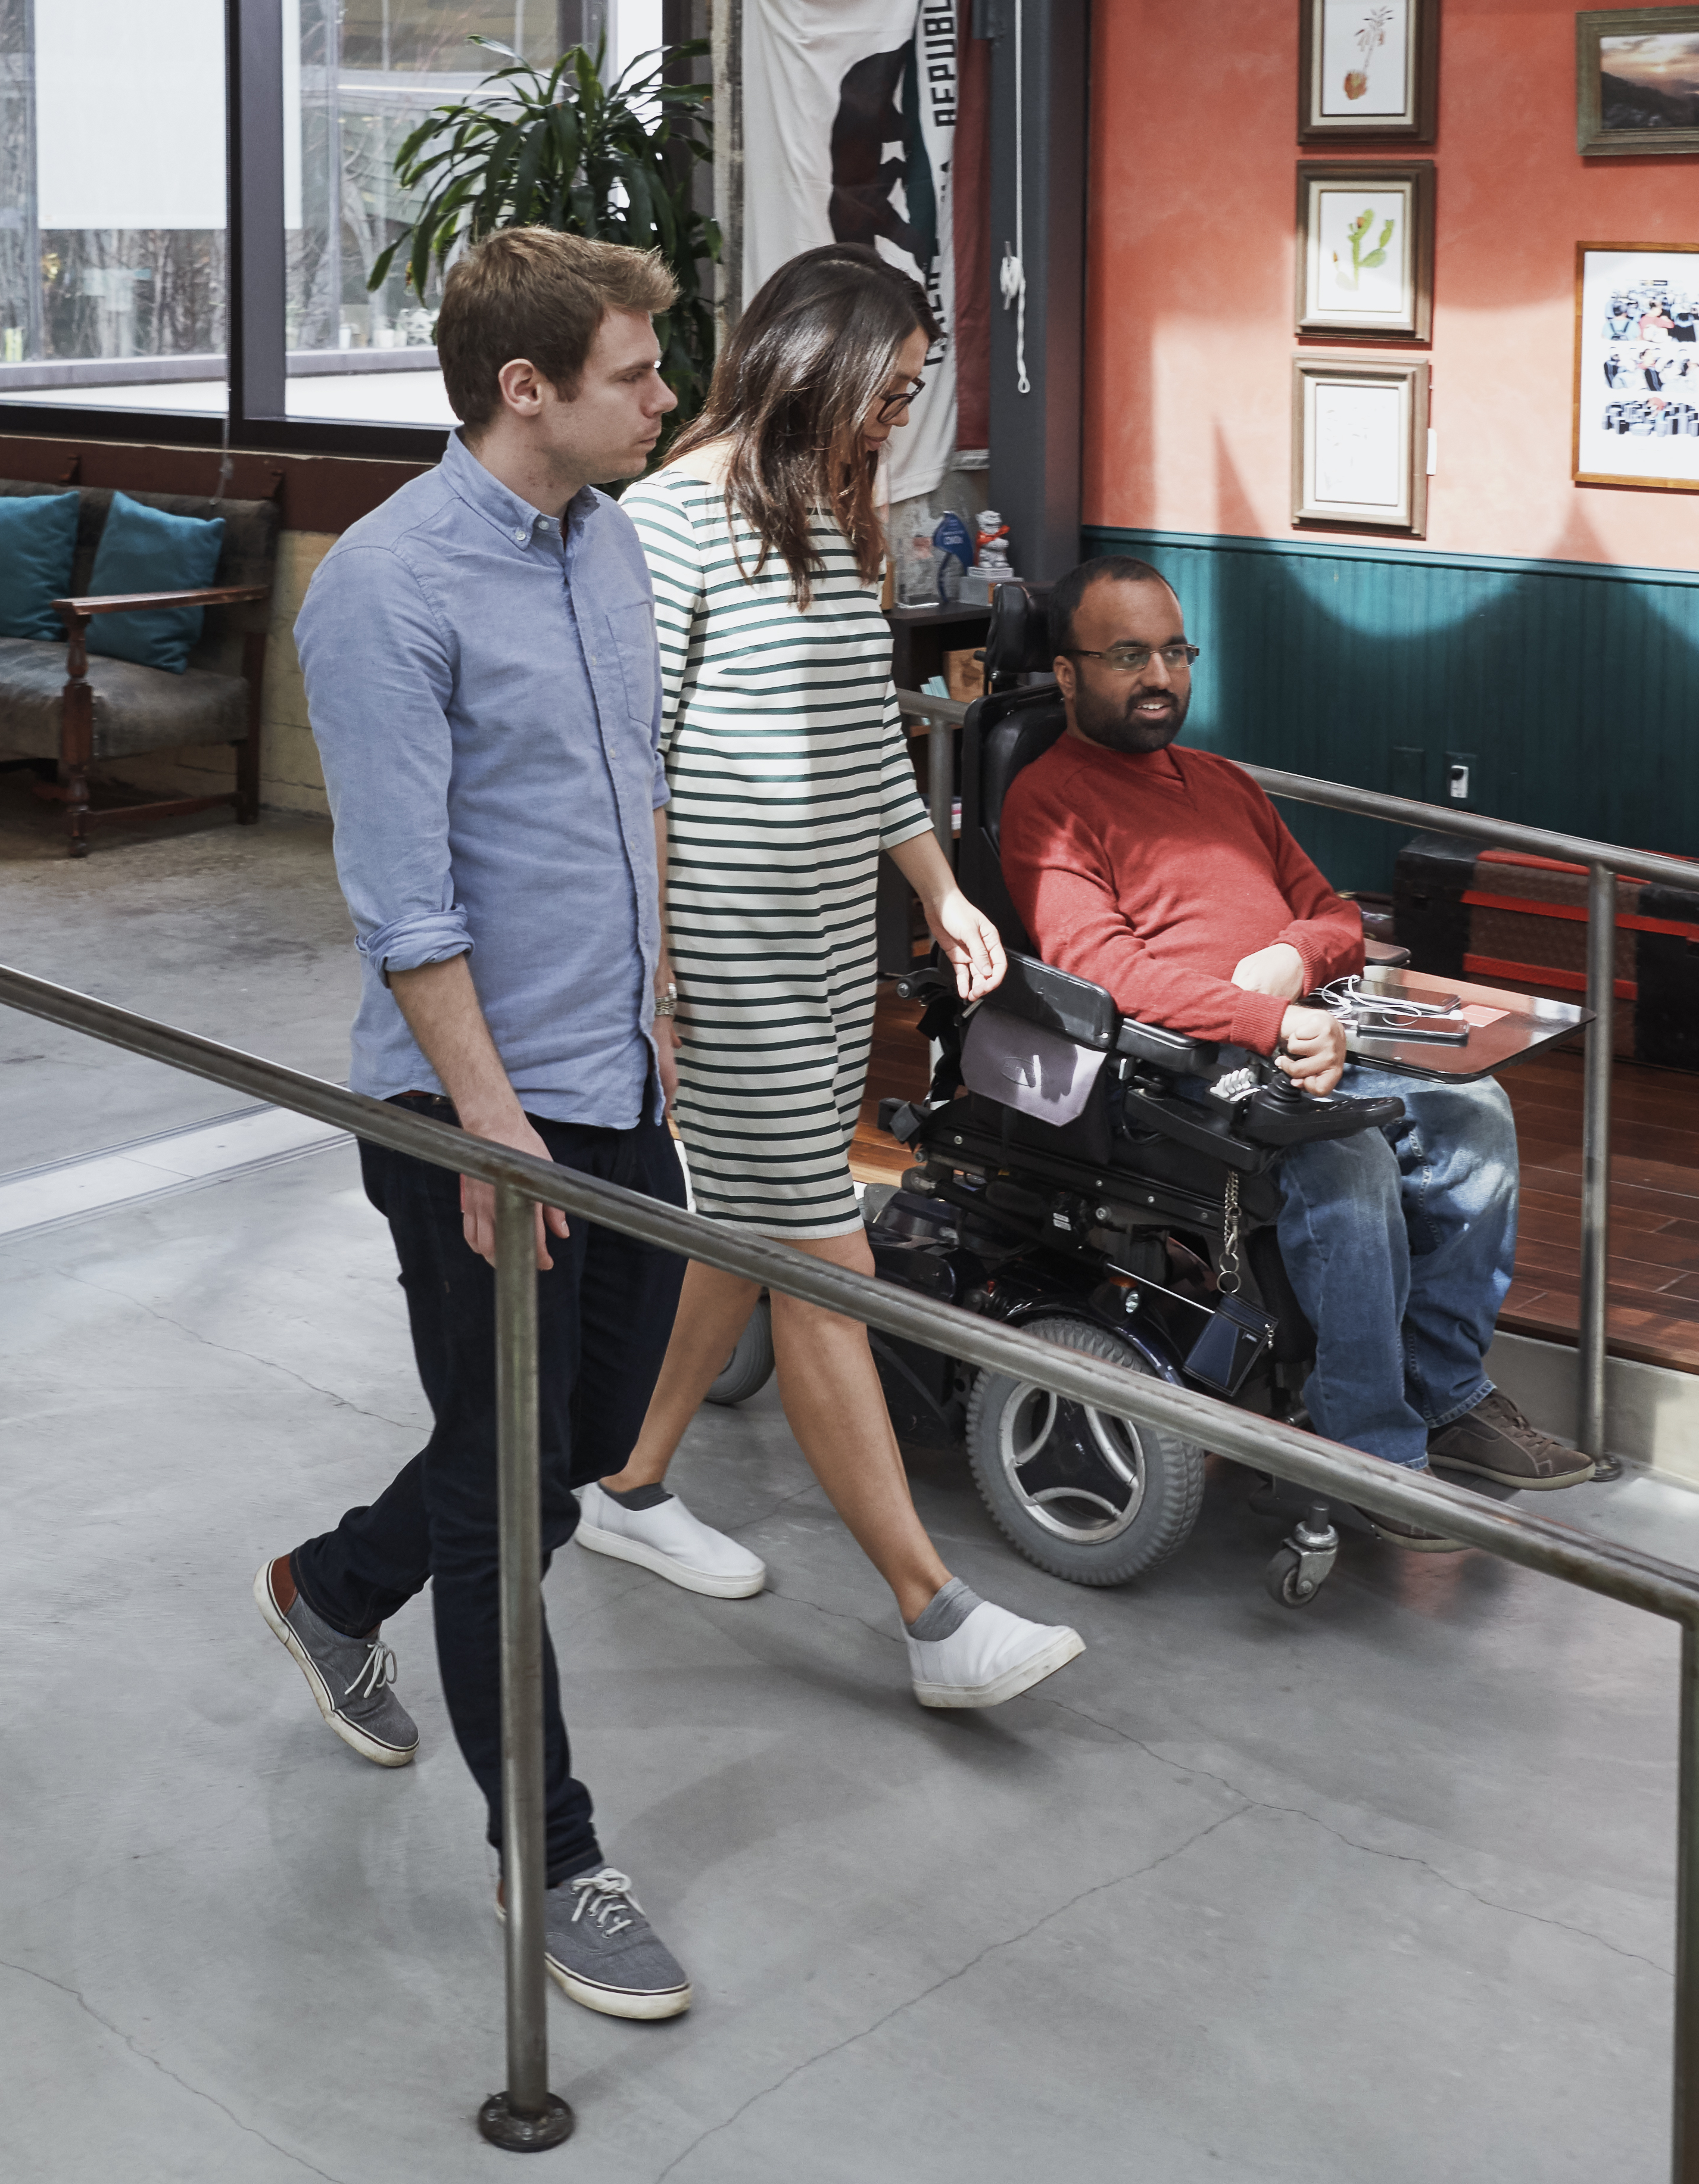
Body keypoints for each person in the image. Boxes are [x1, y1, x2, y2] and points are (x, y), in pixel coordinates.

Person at [255, 225, 703, 2024]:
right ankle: (557, 1854)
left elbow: (634, 789)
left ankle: (325, 1583)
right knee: (507, 1479)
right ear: (526, 386)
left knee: (571, 1449)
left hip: (620, 1075)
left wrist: (661, 999)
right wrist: (492, 1130)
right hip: (473, 1112)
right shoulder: (385, 587)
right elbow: (405, 902)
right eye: (635, 372)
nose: (667, 397)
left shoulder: (607, 547)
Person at [572, 250, 1080, 1709]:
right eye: (891, 391)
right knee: (817, 1255)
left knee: (744, 1227)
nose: (893, 422)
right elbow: (635, 764)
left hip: (819, 951)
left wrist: (940, 892)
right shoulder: (666, 520)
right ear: (819, 360)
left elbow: (868, 741)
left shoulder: (823, 521)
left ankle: (626, 1478)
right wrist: (654, 964)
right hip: (719, 959)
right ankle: (935, 1616)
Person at [998, 552, 1604, 1538]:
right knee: (1346, 1156)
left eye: (1173, 650)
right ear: (1065, 672)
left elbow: (1337, 915)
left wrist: (1289, 957)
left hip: (1305, 1028)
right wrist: (1268, 1019)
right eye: (1125, 654)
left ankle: (1443, 1388)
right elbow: (1101, 969)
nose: (1159, 675)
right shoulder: (1049, 798)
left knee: (1475, 1119)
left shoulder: (1223, 781)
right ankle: (1369, 1442)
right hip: (1176, 1065)